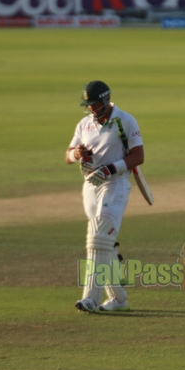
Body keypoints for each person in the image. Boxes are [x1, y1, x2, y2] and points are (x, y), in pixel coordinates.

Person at [66, 80, 144, 312]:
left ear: (105, 99)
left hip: (115, 184)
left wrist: (111, 169)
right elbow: (68, 156)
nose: (90, 108)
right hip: (91, 185)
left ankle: (90, 297)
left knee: (99, 236)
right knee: (103, 243)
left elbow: (138, 156)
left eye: (93, 104)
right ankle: (119, 299)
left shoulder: (125, 120)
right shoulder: (84, 124)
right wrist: (77, 153)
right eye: (87, 104)